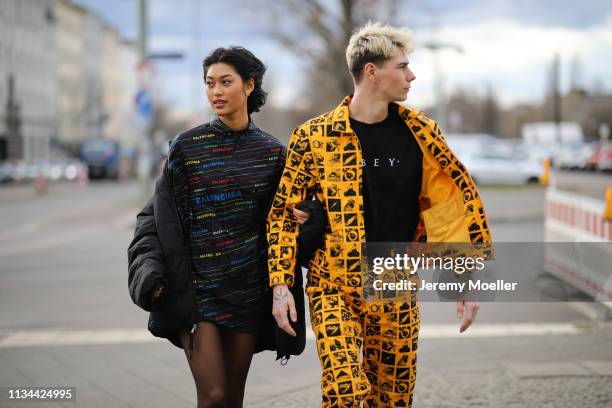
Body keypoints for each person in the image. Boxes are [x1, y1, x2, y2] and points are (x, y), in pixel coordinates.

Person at [267, 22, 493, 407]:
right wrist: (280, 284)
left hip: (395, 278)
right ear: (371, 72)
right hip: (332, 281)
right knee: (344, 392)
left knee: (392, 399)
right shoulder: (314, 136)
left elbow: (449, 204)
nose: (412, 75)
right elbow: (284, 214)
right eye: (402, 66)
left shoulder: (423, 133)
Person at [129, 46, 286, 408]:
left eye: (225, 82)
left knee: (232, 397)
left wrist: (304, 218)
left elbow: (281, 224)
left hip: (248, 289)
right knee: (213, 395)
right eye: (209, 83)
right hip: (198, 290)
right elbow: (155, 216)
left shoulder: (273, 154)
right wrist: (152, 270)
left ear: (248, 86)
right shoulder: (186, 147)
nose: (215, 91)